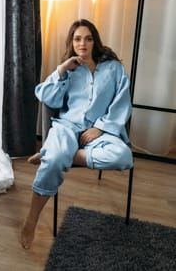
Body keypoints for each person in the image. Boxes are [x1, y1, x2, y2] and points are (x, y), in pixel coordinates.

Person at [21, 18, 133, 249]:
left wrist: (101, 127)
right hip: (67, 126)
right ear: (71, 42)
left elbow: (122, 101)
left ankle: (53, 154)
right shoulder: (69, 69)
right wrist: (61, 70)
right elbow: (47, 98)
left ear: (95, 41)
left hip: (99, 131)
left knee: (123, 156)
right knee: (55, 160)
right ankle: (31, 219)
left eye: (88, 38)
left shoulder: (113, 68)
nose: (83, 43)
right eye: (77, 38)